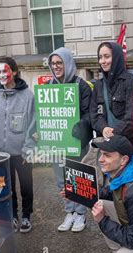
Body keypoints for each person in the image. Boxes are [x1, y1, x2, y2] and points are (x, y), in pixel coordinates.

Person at [0, 57, 36, 233]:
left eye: (5, 71)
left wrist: (29, 148)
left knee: (26, 186)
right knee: (8, 187)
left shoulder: (28, 95)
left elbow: (33, 124)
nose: (1, 75)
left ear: (14, 72)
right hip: (0, 153)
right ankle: (12, 215)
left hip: (22, 152)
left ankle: (27, 216)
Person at [47, 47, 93, 232]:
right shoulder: (49, 87)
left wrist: (80, 126)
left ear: (68, 63)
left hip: (76, 142)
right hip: (57, 143)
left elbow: (89, 113)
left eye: (60, 63)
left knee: (78, 177)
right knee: (61, 180)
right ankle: (69, 211)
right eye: (53, 63)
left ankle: (81, 214)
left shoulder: (81, 85)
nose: (56, 66)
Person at [90, 41, 133, 154]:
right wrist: (103, 128)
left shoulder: (131, 82)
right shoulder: (98, 85)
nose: (102, 61)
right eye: (100, 57)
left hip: (128, 147)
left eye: (107, 57)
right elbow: (94, 114)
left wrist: (114, 132)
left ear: (117, 57)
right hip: (105, 148)